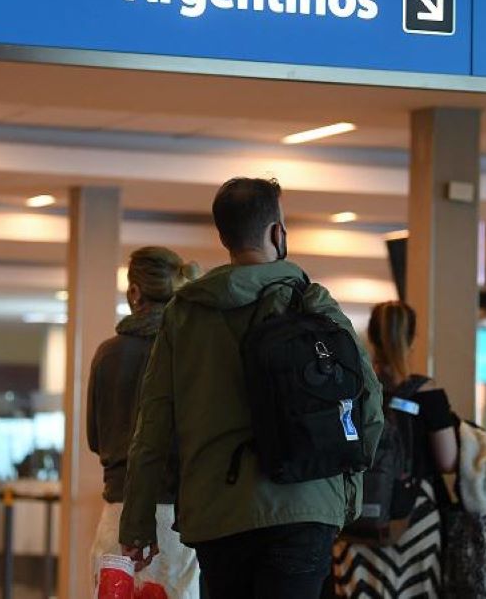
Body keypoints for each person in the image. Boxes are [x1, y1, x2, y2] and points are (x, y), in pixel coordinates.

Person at [119, 177, 384, 599]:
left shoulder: (184, 315)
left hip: (218, 513)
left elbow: (151, 427)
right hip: (305, 503)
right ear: (278, 233)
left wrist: (137, 521)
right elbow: (367, 405)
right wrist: (345, 488)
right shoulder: (312, 302)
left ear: (223, 235)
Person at [87, 246, 202, 598]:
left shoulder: (109, 353)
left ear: (134, 292)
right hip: (177, 517)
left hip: (119, 509)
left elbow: (95, 439)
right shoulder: (191, 351)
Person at [332, 301, 458, 597]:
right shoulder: (427, 394)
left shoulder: (350, 387)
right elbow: (448, 460)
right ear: (413, 339)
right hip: (414, 518)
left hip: (354, 516)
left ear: (371, 338)